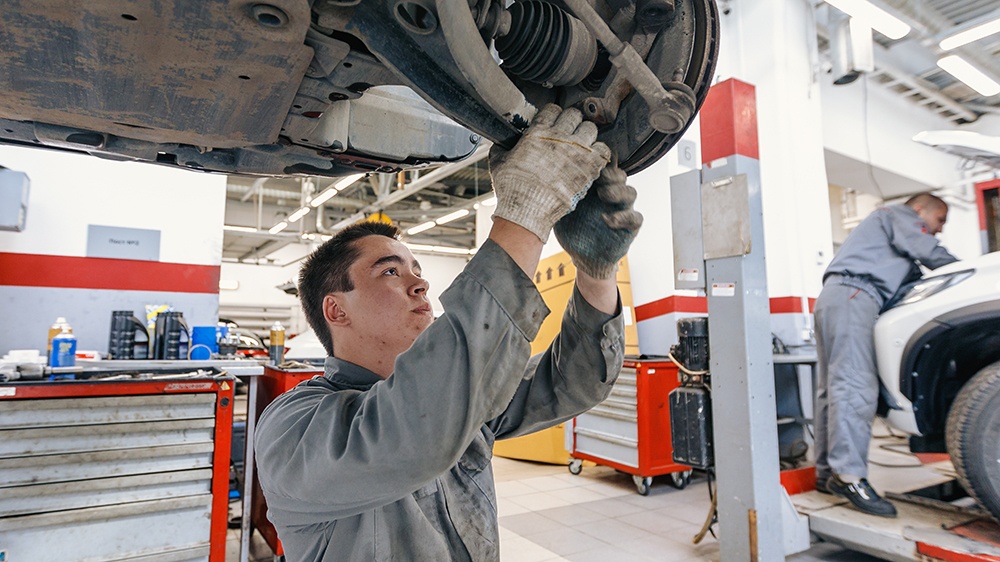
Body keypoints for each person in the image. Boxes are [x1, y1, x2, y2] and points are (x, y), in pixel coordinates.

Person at [254, 104, 643, 561]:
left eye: (417, 269)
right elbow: (415, 429)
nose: (419, 284)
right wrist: (526, 212)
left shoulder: (462, 397)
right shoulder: (291, 427)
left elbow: (571, 382)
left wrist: (596, 272)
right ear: (336, 310)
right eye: (390, 271)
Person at [814, 192, 957, 517]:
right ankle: (849, 476)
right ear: (919, 209)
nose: (939, 229)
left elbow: (915, 280)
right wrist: (970, 273)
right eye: (939, 220)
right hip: (855, 295)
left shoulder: (887, 244)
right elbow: (931, 252)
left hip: (837, 297)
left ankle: (827, 473)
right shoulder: (899, 216)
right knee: (855, 385)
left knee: (832, 390)